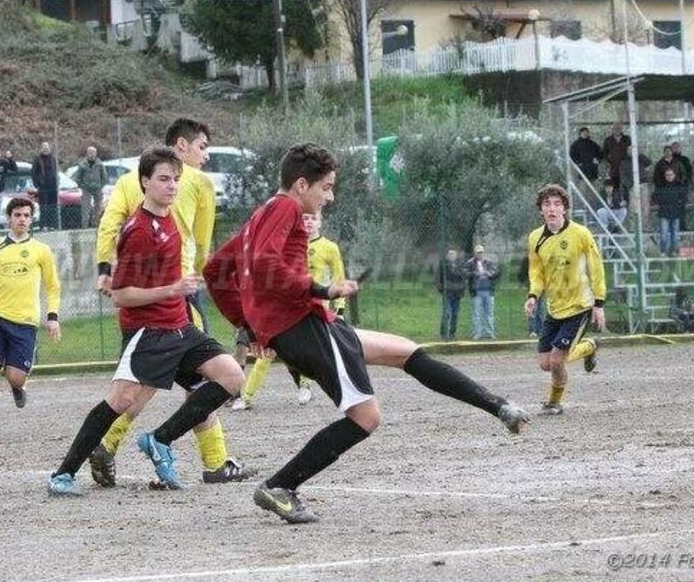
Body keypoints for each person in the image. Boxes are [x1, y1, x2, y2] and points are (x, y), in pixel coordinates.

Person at [204, 144, 530, 523]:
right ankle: (281, 485)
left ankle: (498, 406)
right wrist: (321, 289)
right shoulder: (285, 208)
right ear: (301, 184)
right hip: (304, 326)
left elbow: (216, 271)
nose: (330, 196)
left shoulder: (261, 214)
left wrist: (247, 324)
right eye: (325, 188)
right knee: (366, 417)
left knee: (406, 352)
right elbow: (264, 266)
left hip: (306, 324)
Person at [48, 147, 244, 496]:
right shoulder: (138, 230)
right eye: (164, 179)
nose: (172, 187)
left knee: (231, 376)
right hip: (148, 332)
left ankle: (160, 440)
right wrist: (173, 288)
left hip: (180, 327)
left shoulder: (168, 218)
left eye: (176, 180)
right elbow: (122, 295)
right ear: (144, 183)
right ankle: (63, 474)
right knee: (122, 400)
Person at [92, 118, 250, 486]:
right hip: (178, 295)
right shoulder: (198, 184)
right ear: (181, 145)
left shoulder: (130, 180)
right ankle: (211, 461)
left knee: (146, 381)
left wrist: (104, 269)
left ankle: (211, 460)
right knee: (206, 381)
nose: (206, 156)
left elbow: (109, 224)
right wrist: (193, 280)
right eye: (202, 147)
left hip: (140, 298)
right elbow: (202, 240)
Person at [0, 197, 62, 439]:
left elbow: (52, 286)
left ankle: (18, 386)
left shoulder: (41, 250)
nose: (22, 219)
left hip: (26, 321)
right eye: (17, 214)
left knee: (15, 377)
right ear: (9, 218)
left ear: (31, 219)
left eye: (26, 215)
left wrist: (53, 317)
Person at [237, 210, 346, 410]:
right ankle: (246, 396)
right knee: (268, 349)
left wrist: (340, 308)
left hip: (314, 308)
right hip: (286, 307)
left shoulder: (329, 248)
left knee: (309, 350)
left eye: (314, 218)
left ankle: (305, 386)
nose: (310, 222)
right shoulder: (286, 245)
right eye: (306, 218)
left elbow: (339, 279)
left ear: (320, 222)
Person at [524, 184, 605, 415]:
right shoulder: (535, 238)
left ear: (565, 209)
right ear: (541, 210)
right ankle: (589, 347)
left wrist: (598, 303)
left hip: (579, 305)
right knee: (545, 364)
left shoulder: (580, 234)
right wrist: (533, 296)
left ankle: (553, 403)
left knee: (558, 361)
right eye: (547, 204)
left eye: (557, 204)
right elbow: (536, 273)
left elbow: (596, 268)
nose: (552, 209)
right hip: (554, 307)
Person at [467, 244, 499, 340]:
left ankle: (490, 333)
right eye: (478, 253)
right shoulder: (470, 263)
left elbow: (495, 272)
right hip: (476, 292)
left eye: (481, 252)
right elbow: (465, 272)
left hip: (488, 291)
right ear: (475, 253)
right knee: (477, 314)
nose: (480, 254)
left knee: (489, 313)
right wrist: (475, 274)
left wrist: (488, 274)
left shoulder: (488, 262)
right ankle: (477, 333)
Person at [656, 168, 688, 256]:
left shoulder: (679, 186)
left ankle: (675, 251)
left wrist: (679, 205)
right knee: (663, 234)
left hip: (675, 213)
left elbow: (684, 199)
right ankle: (663, 251)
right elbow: (656, 198)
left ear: (674, 175)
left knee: (675, 235)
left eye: (671, 175)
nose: (669, 177)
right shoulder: (661, 186)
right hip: (664, 213)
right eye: (667, 175)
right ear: (665, 176)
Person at [437, 248, 467, 341]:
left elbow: (463, 279)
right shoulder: (443, 265)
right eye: (450, 254)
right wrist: (442, 290)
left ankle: (452, 333)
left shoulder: (460, 266)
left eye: (454, 254)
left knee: (455, 314)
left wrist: (462, 289)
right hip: (447, 293)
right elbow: (438, 279)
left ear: (456, 256)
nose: (452, 256)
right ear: (447, 256)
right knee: (446, 314)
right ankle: (443, 334)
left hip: (457, 294)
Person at [73, 146, 108, 227]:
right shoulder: (82, 165)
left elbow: (105, 177)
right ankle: (85, 226)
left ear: (96, 154)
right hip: (86, 189)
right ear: (87, 153)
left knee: (98, 207)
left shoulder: (100, 164)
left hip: (97, 188)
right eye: (90, 152)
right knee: (85, 208)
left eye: (93, 152)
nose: (92, 154)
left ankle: (96, 225)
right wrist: (82, 186)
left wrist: (100, 185)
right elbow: (77, 178)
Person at [31, 142, 60, 231]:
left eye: (47, 148)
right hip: (43, 187)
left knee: (53, 206)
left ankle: (53, 225)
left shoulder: (53, 159)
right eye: (44, 148)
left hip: (53, 186)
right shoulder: (38, 159)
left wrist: (57, 181)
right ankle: (43, 225)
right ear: (41, 149)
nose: (46, 150)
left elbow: (56, 171)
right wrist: (37, 183)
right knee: (44, 207)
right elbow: (33, 172)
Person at [602, 123, 630, 190]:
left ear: (621, 129)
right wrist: (610, 160)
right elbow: (604, 153)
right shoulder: (608, 140)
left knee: (627, 185)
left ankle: (626, 200)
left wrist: (628, 160)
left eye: (618, 128)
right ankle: (616, 199)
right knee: (615, 185)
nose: (617, 130)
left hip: (626, 166)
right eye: (615, 129)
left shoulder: (627, 138)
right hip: (614, 167)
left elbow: (632, 150)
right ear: (612, 130)